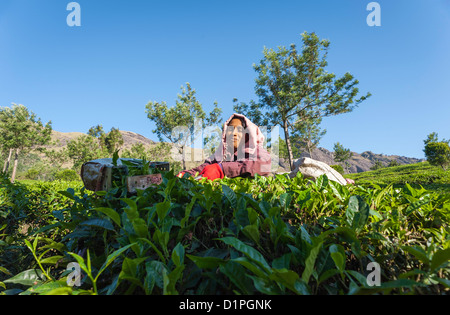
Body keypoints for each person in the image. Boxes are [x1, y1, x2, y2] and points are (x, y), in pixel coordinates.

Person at [178, 113, 271, 180]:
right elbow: (201, 169)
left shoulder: (256, 151)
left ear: (246, 134)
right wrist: (185, 175)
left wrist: (222, 169)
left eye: (239, 130)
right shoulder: (221, 156)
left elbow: (259, 164)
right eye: (230, 130)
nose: (234, 133)